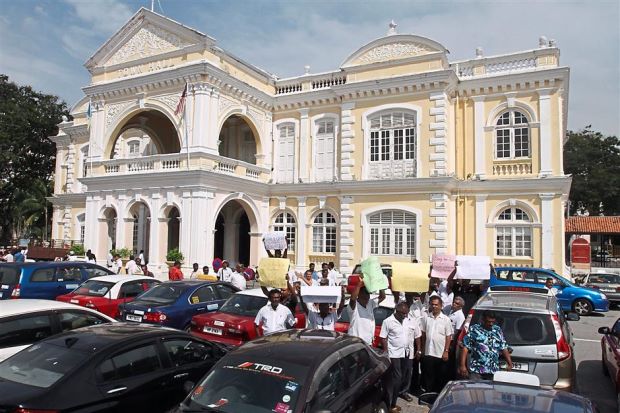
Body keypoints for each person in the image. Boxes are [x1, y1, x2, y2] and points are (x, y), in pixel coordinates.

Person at [380, 302, 422, 411]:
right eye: (403, 313)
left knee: (406, 375)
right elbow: (383, 337)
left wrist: (419, 349)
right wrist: (386, 351)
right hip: (394, 353)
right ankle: (391, 402)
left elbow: (417, 335)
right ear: (397, 311)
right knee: (397, 377)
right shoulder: (388, 321)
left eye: (406, 313)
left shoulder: (410, 320)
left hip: (407, 352)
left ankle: (400, 394)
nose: (405, 315)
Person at [459, 310, 513, 380]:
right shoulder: (474, 329)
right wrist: (462, 365)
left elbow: (503, 347)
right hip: (477, 370)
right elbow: (465, 347)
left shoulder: (497, 330)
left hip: (493, 371)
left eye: (493, 322)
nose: (491, 324)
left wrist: (509, 363)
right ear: (483, 320)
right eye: (488, 322)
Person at [420, 296, 453, 392]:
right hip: (428, 352)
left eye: (436, 305)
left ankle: (437, 395)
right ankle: (428, 394)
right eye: (432, 304)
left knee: (440, 376)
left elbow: (448, 336)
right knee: (428, 375)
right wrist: (423, 348)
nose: (434, 306)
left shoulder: (446, 319)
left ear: (441, 306)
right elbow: (424, 334)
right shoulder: (427, 318)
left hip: (440, 353)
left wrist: (446, 351)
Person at [347, 277, 386, 345]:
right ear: (359, 293)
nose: (368, 295)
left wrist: (380, 284)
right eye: (365, 293)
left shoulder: (370, 303)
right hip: (355, 342)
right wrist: (360, 284)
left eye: (368, 293)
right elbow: (352, 299)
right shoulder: (354, 306)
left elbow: (382, 297)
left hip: (368, 343)